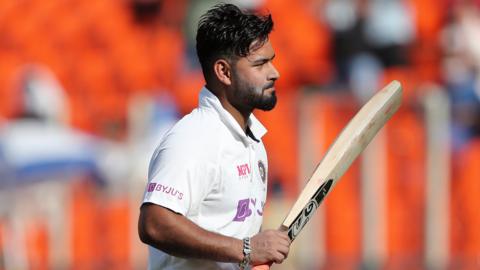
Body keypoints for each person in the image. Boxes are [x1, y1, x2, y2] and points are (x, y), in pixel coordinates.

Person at [138, 3, 291, 270]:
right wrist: (246, 250)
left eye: (272, 60)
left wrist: (249, 256)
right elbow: (154, 223)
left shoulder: (252, 141)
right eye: (260, 64)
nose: (274, 72)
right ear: (224, 72)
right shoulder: (193, 138)